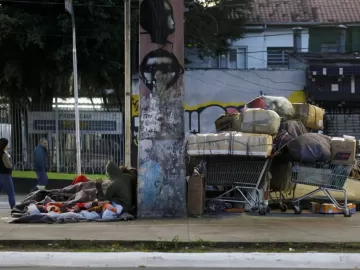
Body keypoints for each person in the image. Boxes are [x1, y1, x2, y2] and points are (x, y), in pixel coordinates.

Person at [0, 138, 16, 209]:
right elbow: (8, 165)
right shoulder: (4, 154)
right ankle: (13, 208)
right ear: (5, 145)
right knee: (11, 193)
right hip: (5, 176)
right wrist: (11, 164)